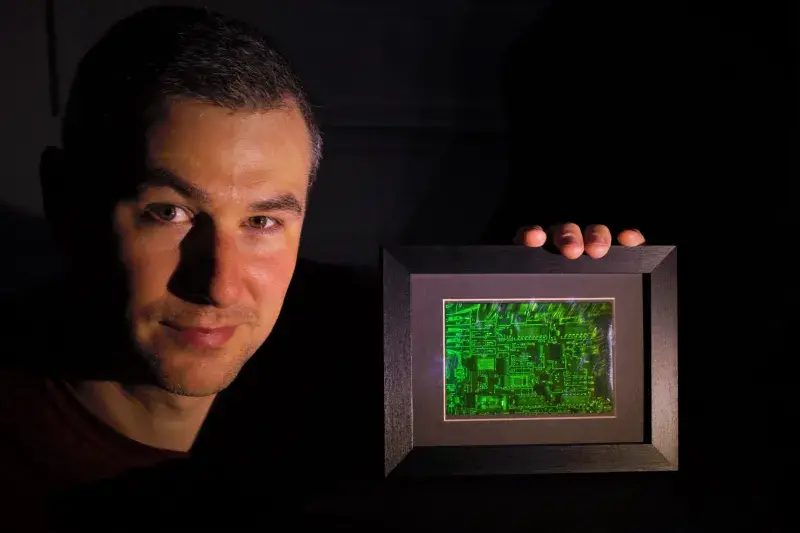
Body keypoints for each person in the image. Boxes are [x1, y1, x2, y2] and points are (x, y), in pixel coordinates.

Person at [0, 5, 646, 529]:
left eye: (262, 222)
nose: (219, 284)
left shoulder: (364, 338)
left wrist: (565, 291)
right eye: (168, 212)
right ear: (64, 200)